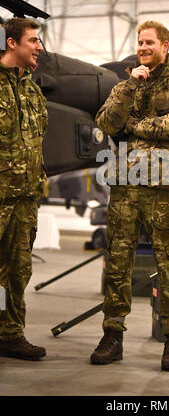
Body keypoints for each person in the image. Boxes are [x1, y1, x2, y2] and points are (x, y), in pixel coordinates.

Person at [91, 20, 169, 370]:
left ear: (165, 46)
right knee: (118, 263)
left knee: (167, 264)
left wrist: (135, 126)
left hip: (163, 189)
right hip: (125, 187)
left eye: (149, 42)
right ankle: (112, 335)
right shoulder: (125, 86)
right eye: (139, 42)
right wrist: (127, 89)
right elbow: (106, 123)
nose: (143, 47)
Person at [0, 18, 48, 360]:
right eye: (33, 40)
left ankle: (10, 333)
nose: (39, 46)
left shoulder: (31, 89)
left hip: (25, 197)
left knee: (17, 270)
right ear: (12, 43)